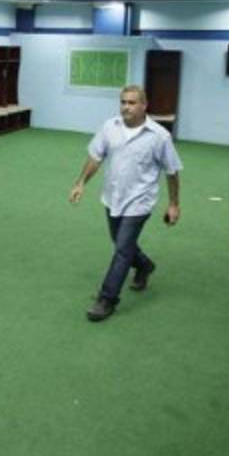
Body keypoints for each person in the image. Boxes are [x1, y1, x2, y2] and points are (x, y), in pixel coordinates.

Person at [69, 85, 182, 322]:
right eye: (123, 102)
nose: (126, 107)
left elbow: (172, 172)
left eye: (131, 103)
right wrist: (81, 183)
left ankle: (107, 299)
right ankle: (144, 265)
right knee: (121, 242)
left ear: (144, 105)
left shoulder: (160, 136)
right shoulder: (109, 127)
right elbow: (95, 157)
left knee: (122, 249)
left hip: (140, 201)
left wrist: (173, 204)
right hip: (113, 197)